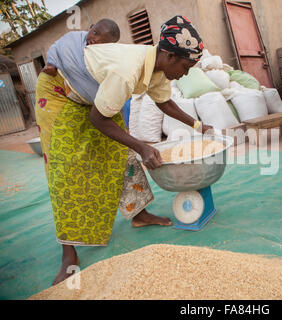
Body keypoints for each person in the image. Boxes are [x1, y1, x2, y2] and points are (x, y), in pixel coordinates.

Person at [34, 15, 212, 286]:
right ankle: (68, 252)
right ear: (170, 55)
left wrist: (199, 125)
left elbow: (165, 103)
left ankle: (139, 214)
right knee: (64, 168)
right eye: (187, 66)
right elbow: (98, 119)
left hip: (94, 95)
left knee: (122, 154)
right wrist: (142, 146)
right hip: (61, 91)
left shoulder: (157, 68)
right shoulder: (127, 71)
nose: (186, 74)